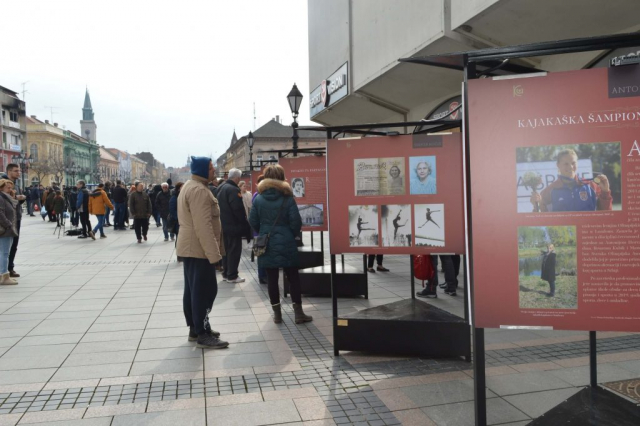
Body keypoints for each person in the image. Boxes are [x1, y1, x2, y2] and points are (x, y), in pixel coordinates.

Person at [249, 164, 312, 325]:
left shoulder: (259, 198)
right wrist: (288, 234)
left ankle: (277, 315)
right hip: (286, 241)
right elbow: (296, 222)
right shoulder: (288, 198)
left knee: (272, 278)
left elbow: (253, 221)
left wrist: (264, 231)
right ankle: (298, 313)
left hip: (267, 242)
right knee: (293, 277)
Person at [177, 156, 228, 349]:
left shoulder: (192, 186)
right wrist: (215, 256)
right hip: (199, 249)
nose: (214, 170)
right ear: (201, 170)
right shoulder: (199, 190)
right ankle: (202, 333)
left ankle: (196, 328)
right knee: (204, 291)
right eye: (211, 167)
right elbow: (203, 226)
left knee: (193, 290)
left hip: (193, 248)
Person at [531, 149, 612, 212]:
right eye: (566, 164)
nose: (570, 167)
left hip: (587, 230)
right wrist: (536, 205)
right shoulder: (549, 191)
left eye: (573, 163)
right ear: (558, 165)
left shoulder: (591, 186)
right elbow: (541, 220)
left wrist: (605, 192)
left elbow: (606, 214)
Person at [217, 168, 251, 283]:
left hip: (223, 225)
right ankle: (232, 275)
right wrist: (244, 224)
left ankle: (226, 273)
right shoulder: (233, 189)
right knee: (234, 251)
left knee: (226, 251)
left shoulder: (221, 187)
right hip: (233, 226)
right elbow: (238, 209)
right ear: (237, 178)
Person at [4, 164, 25, 278]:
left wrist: (21, 200)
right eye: (16, 171)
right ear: (9, 171)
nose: (18, 173)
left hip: (16, 216)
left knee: (14, 244)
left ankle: (10, 267)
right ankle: (5, 269)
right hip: (7, 218)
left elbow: (15, 202)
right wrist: (17, 198)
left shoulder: (16, 185)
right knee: (6, 245)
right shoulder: (4, 184)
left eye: (19, 171)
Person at [0, 179, 19, 285]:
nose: (10, 189)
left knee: (3, 252)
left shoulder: (6, 197)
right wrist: (8, 225)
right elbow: (0, 213)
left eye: (11, 187)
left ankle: (2, 275)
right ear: (1, 187)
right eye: (8, 187)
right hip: (5, 230)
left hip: (7, 229)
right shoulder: (1, 197)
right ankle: (4, 275)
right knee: (4, 253)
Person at [252, 175, 267, 284]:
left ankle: (263, 275)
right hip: (260, 232)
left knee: (262, 254)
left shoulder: (257, 196)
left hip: (259, 231)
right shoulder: (257, 196)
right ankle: (262, 275)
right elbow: (253, 217)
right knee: (261, 254)